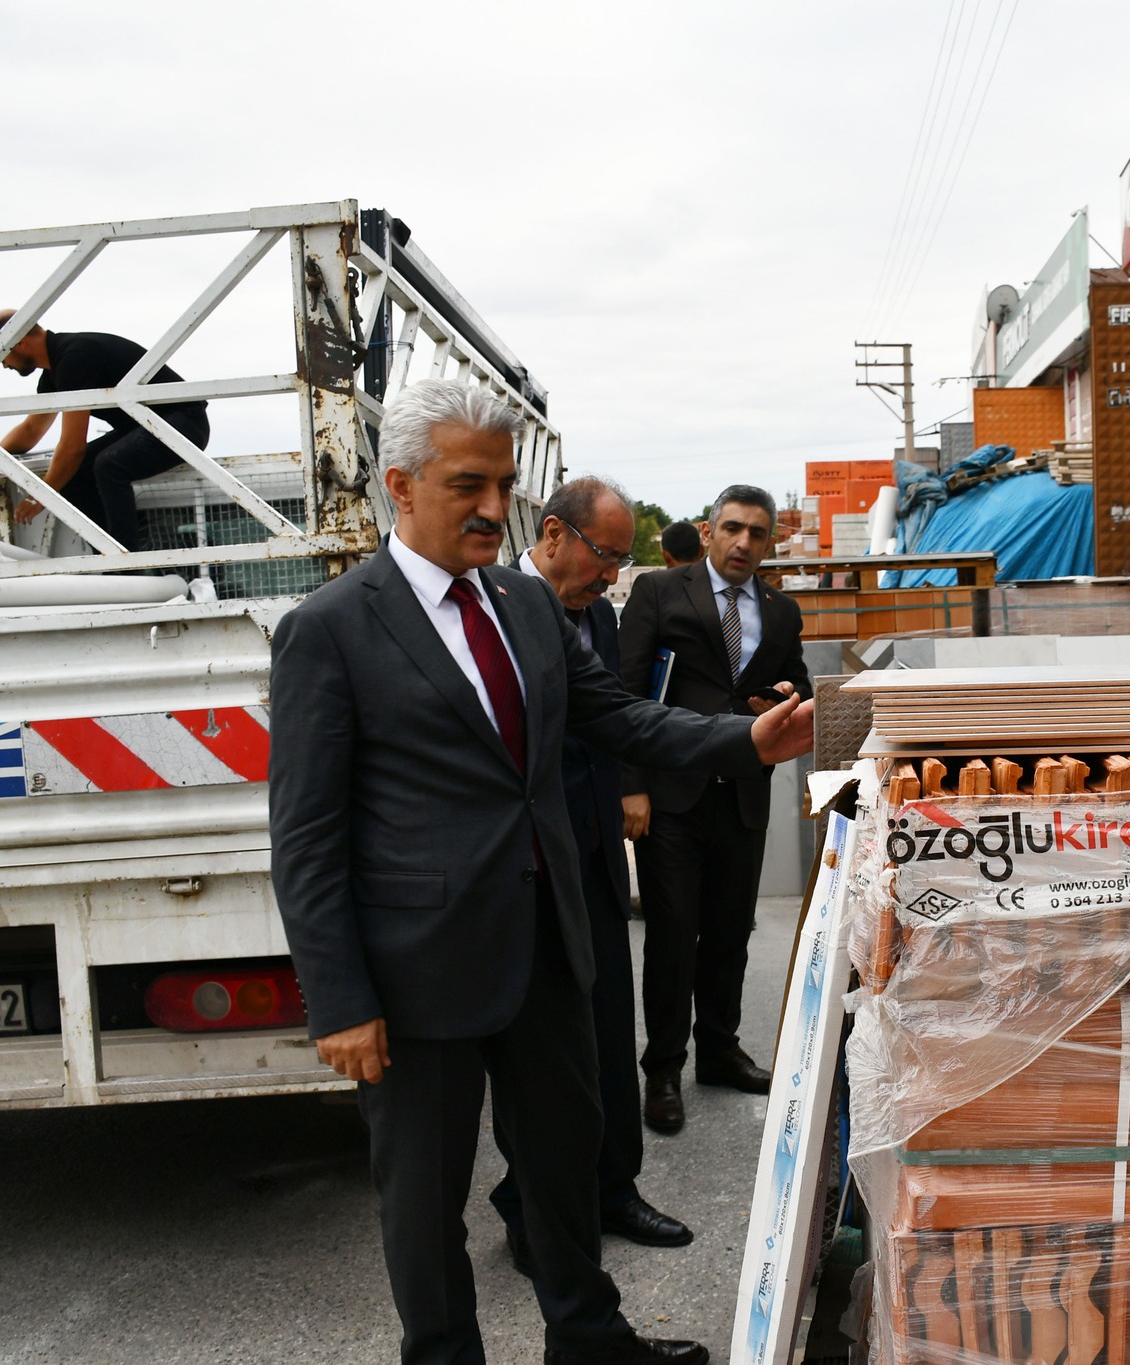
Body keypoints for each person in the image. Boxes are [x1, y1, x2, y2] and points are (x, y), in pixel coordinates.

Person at [268, 379, 814, 1365]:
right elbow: (306, 834)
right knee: (426, 1203)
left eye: (505, 486)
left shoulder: (525, 603)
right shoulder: (332, 627)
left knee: (563, 1164)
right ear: (400, 484)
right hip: (415, 972)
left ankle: (589, 1340)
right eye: (467, 485)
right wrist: (338, 998)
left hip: (545, 946)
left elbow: (619, 719)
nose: (492, 509)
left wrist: (747, 739)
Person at [492, 474, 694, 1276]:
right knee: (537, 1058)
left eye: (621, 559)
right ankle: (528, 1207)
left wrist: (631, 786)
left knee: (611, 1033)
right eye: (605, 555)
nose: (613, 575)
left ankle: (616, 1190)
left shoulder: (597, 616)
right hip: (527, 871)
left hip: (596, 859)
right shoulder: (493, 610)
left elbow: (614, 718)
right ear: (551, 535)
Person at [616, 485, 812, 1136]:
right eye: (733, 529)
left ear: (770, 541)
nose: (743, 543)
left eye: (757, 534)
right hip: (670, 794)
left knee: (731, 930)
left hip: (742, 791)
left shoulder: (781, 613)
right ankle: (663, 1068)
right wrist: (631, 784)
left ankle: (719, 1051)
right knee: (673, 935)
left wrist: (783, 695)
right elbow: (623, 691)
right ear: (708, 531)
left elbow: (798, 685)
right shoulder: (659, 593)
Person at [0, 312, 210, 552]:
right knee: (73, 476)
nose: (3, 364)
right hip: (147, 427)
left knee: (108, 464)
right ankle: (109, 553)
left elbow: (72, 447)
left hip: (184, 423)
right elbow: (30, 430)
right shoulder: (55, 372)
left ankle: (126, 563)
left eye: (0, 353)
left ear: (19, 341)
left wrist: (38, 497)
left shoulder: (76, 356)